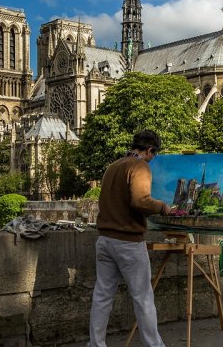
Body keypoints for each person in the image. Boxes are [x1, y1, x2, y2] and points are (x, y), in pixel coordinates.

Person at [88, 130, 173, 347]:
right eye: (154, 154)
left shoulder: (113, 166)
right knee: (143, 298)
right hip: (128, 242)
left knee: (102, 296)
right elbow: (141, 201)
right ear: (150, 150)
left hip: (105, 239)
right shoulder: (139, 166)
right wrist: (163, 207)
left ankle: (95, 344)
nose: (152, 159)